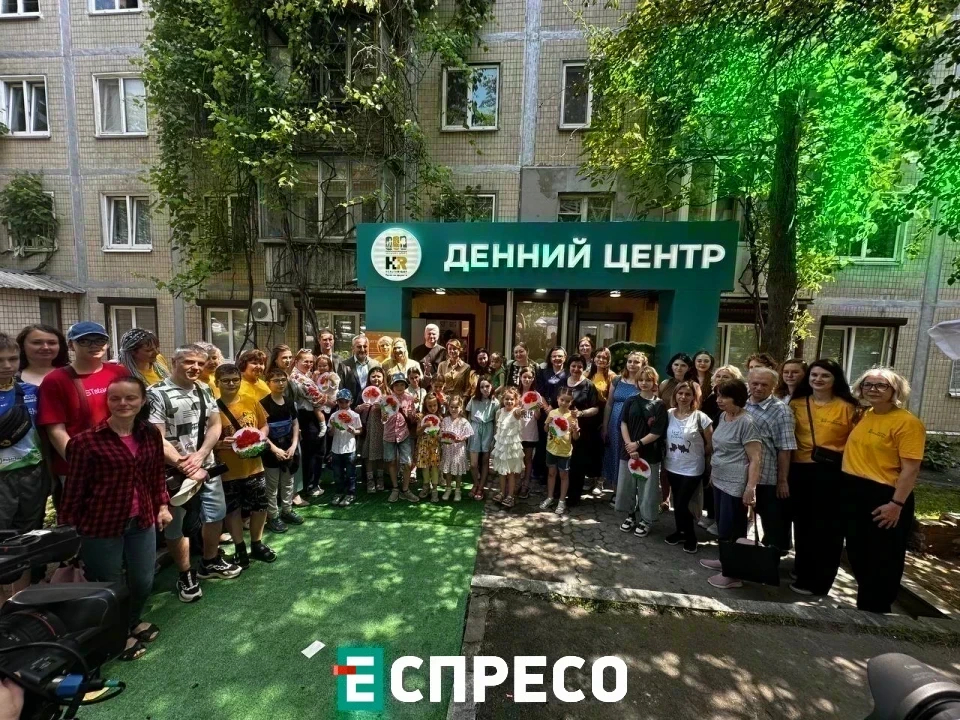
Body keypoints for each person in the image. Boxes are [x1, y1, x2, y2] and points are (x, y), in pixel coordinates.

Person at [62, 376, 171, 661]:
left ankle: (131, 621)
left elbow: (156, 474)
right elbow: (74, 489)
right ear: (107, 401)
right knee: (109, 585)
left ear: (142, 401)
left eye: (130, 397)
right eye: (115, 398)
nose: (123, 403)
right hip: (101, 525)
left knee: (143, 580)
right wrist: (68, 531)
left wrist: (162, 505)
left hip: (142, 519)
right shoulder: (85, 442)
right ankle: (117, 636)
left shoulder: (150, 434)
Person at [148, 345, 237, 600]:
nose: (195, 367)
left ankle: (209, 561)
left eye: (200, 363)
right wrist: (184, 464)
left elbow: (214, 425)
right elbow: (156, 437)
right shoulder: (155, 393)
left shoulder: (205, 389)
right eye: (188, 362)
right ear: (174, 361)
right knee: (176, 525)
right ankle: (185, 573)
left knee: (215, 514)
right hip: (174, 472)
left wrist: (201, 455)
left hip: (206, 466)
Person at [840, 368, 924, 613]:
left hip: (885, 496)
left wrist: (896, 505)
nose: (873, 389)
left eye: (881, 385)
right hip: (855, 491)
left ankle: (877, 611)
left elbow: (911, 469)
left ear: (895, 390)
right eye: (868, 385)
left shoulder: (908, 423)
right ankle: (865, 606)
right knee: (858, 552)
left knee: (882, 557)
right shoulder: (865, 415)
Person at [36, 321, 129, 504]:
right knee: (85, 520)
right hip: (79, 469)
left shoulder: (119, 373)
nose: (94, 345)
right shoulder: (56, 380)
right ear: (71, 345)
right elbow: (55, 430)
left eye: (100, 340)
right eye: (85, 341)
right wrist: (81, 464)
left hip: (121, 462)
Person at [788, 358, 859, 597]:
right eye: (814, 375)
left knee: (827, 530)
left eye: (825, 375)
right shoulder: (796, 403)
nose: (818, 379)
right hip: (799, 470)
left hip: (831, 473)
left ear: (835, 379)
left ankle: (820, 581)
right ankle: (802, 570)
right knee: (803, 525)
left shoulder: (848, 407)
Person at [698, 379, 762, 590]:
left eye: (724, 396)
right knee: (722, 525)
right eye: (718, 395)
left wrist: (751, 488)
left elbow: (755, 458)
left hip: (735, 483)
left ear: (738, 398)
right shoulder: (723, 416)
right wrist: (713, 474)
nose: (719, 400)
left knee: (732, 528)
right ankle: (724, 560)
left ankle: (733, 575)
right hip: (719, 478)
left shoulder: (747, 422)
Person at [214, 363, 277, 566]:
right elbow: (206, 439)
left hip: (254, 466)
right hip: (228, 470)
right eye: (226, 381)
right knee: (233, 509)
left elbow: (264, 425)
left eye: (235, 380)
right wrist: (219, 444)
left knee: (260, 506)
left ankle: (257, 543)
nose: (231, 384)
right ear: (217, 382)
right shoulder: (212, 408)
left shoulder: (250, 400)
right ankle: (240, 547)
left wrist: (260, 436)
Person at [0, 334, 49, 592]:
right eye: (0, 360)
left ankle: (22, 598)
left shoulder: (31, 392)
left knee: (28, 535)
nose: (7, 366)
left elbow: (44, 434)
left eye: (12, 358)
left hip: (32, 473)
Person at [744, 366, 796, 554]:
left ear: (773, 386)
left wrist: (782, 481)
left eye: (764, 385)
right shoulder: (743, 403)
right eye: (755, 383)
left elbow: (785, 449)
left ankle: (772, 558)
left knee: (772, 522)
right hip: (742, 474)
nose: (758, 388)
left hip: (767, 477)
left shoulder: (781, 411)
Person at [662, 381, 713, 554]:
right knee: (677, 501)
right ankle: (680, 532)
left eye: (688, 394)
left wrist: (698, 456)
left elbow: (710, 444)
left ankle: (691, 537)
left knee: (683, 502)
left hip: (692, 468)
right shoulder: (669, 414)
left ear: (694, 397)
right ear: (675, 395)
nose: (683, 397)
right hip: (672, 465)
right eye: (680, 393)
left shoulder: (701, 417)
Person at [616, 366, 667, 538]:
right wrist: (629, 445)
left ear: (654, 382)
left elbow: (657, 432)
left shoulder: (659, 405)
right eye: (641, 380)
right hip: (628, 451)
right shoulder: (630, 400)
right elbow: (623, 423)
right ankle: (630, 515)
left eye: (648, 380)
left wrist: (637, 444)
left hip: (649, 452)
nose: (644, 383)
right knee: (627, 486)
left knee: (648, 489)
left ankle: (646, 519)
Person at [261, 368, 302, 533]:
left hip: (289, 448)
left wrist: (293, 445)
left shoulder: (289, 401)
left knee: (288, 482)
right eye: (276, 380)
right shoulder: (263, 404)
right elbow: (261, 431)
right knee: (272, 486)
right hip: (271, 451)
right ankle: (273, 516)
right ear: (268, 383)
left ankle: (287, 510)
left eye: (283, 380)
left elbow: (295, 424)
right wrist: (274, 449)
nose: (280, 383)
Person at [602, 351, 644, 499]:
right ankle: (616, 492)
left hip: (634, 425)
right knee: (615, 454)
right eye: (630, 361)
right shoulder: (617, 380)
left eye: (636, 362)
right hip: (614, 423)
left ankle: (633, 493)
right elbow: (609, 403)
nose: (632, 364)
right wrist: (605, 426)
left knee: (631, 455)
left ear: (643, 364)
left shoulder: (644, 382)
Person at [559, 354, 600, 505]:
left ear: (584, 368)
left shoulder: (589, 385)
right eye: (573, 366)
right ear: (569, 367)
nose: (576, 369)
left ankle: (574, 496)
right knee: (561, 460)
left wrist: (581, 413)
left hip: (581, 430)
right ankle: (559, 492)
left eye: (579, 366)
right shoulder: (562, 382)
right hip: (561, 430)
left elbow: (596, 408)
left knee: (577, 463)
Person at [289, 349, 327, 502]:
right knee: (312, 452)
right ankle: (311, 486)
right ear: (296, 361)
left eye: (311, 361)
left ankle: (312, 483)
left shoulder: (306, 375)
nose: (309, 364)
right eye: (305, 361)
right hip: (307, 416)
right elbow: (317, 398)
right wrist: (327, 399)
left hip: (309, 415)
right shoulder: (298, 377)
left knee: (313, 452)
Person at [540, 386, 580, 515]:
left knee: (564, 476)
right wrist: (547, 424)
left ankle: (562, 501)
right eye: (562, 400)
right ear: (557, 399)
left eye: (567, 401)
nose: (564, 403)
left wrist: (575, 429)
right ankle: (550, 497)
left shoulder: (572, 416)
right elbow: (546, 430)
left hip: (565, 451)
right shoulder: (552, 413)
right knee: (551, 473)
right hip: (551, 449)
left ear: (571, 402)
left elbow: (576, 437)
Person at [383, 372, 419, 503]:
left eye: (402, 384)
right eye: (396, 384)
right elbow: (383, 418)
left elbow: (413, 418)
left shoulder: (409, 399)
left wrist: (412, 415)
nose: (399, 387)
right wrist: (384, 416)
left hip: (404, 434)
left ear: (405, 385)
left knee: (408, 463)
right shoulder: (386, 399)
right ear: (392, 386)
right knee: (391, 461)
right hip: (389, 434)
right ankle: (395, 488)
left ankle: (405, 489)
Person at [587, 347, 615, 495]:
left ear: (609, 360)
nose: (601, 360)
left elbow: (611, 400)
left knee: (602, 447)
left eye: (604, 357)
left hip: (604, 414)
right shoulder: (588, 374)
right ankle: (591, 477)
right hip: (589, 414)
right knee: (591, 448)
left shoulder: (612, 377)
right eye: (598, 357)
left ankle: (600, 481)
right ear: (593, 358)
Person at [491, 387, 525, 509]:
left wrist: (522, 410)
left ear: (516, 401)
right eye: (507, 399)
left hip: (512, 449)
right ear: (502, 400)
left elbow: (520, 413)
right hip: (501, 447)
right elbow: (498, 429)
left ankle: (510, 496)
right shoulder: (499, 412)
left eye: (512, 399)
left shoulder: (516, 412)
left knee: (510, 473)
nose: (509, 401)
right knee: (501, 472)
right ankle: (502, 492)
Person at [328, 388, 362, 506]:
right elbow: (330, 434)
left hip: (349, 448)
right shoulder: (333, 415)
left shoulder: (355, 415)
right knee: (337, 474)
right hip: (336, 448)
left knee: (350, 473)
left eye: (346, 402)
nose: (343, 404)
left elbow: (360, 430)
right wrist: (333, 426)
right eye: (340, 402)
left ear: (351, 401)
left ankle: (351, 493)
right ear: (337, 402)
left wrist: (354, 431)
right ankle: (339, 492)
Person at [467, 377, 498, 500]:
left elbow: (496, 422)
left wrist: (494, 439)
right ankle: (476, 483)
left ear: (491, 386)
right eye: (482, 387)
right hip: (474, 429)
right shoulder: (473, 400)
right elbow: (468, 416)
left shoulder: (495, 402)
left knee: (485, 461)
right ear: (478, 389)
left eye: (487, 386)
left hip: (488, 429)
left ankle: (480, 488)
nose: (485, 389)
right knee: (473, 464)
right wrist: (467, 433)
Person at [358, 366, 386, 491]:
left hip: (382, 427)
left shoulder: (387, 392)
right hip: (368, 426)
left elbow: (393, 410)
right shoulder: (364, 392)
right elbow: (354, 410)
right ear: (369, 378)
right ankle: (370, 480)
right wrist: (360, 407)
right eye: (373, 376)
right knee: (368, 454)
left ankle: (380, 478)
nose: (376, 379)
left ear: (383, 378)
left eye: (379, 376)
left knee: (381, 453)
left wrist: (383, 407)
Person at [440, 395, 473, 501]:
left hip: (458, 450)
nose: (453, 409)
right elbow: (441, 433)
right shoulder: (445, 420)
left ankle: (458, 490)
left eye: (456, 407)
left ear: (460, 408)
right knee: (448, 471)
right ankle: (448, 489)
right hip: (448, 449)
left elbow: (468, 433)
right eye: (451, 407)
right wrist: (443, 437)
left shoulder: (464, 421)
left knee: (458, 471)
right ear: (448, 407)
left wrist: (462, 438)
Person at [517, 367, 541, 499]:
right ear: (520, 378)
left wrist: (536, 408)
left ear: (533, 379)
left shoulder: (536, 395)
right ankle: (516, 482)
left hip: (530, 432)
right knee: (517, 458)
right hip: (516, 432)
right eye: (524, 377)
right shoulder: (516, 393)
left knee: (528, 458)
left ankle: (526, 484)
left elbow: (537, 417)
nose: (527, 379)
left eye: (529, 377)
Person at [416, 392, 443, 502]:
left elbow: (441, 435)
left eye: (434, 405)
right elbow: (417, 432)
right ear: (425, 406)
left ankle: (435, 490)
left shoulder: (440, 418)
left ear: (438, 405)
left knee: (435, 467)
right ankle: (426, 486)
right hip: (424, 445)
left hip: (435, 446)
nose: (432, 408)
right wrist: (424, 426)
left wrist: (438, 435)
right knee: (425, 467)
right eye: (430, 406)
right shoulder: (422, 417)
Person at [341, 335, 380, 406]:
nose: (362, 349)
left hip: (372, 406)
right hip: (351, 406)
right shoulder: (344, 365)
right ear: (353, 348)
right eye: (359, 347)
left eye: (365, 346)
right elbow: (341, 388)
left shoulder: (375, 364)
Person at [436, 339, 474, 403]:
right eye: (450, 349)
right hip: (444, 399)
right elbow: (438, 383)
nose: (452, 351)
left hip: (459, 400)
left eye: (454, 349)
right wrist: (441, 397)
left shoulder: (466, 367)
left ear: (459, 350)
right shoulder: (442, 365)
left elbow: (467, 387)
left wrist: (463, 400)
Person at [411, 323, 447, 390]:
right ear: (424, 335)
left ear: (438, 335)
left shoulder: (443, 352)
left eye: (434, 334)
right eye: (429, 334)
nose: (431, 336)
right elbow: (412, 371)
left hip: (438, 388)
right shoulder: (416, 351)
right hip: (420, 387)